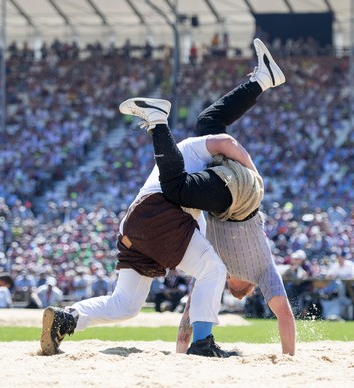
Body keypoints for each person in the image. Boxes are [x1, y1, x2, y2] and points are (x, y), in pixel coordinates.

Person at [40, 91, 259, 358]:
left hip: (135, 224)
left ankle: (67, 318)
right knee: (212, 269)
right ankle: (203, 344)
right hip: (161, 216)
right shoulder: (194, 147)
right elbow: (227, 140)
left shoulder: (194, 186)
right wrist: (255, 175)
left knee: (125, 304)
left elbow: (198, 242)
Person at [122, 39, 295, 355]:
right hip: (238, 195)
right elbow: (284, 314)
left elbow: (191, 310)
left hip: (232, 188)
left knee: (206, 124)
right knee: (176, 186)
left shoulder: (219, 265)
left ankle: (263, 79)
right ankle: (158, 122)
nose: (230, 284)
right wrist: (289, 359)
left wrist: (178, 350)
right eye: (234, 286)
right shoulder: (260, 270)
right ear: (247, 284)